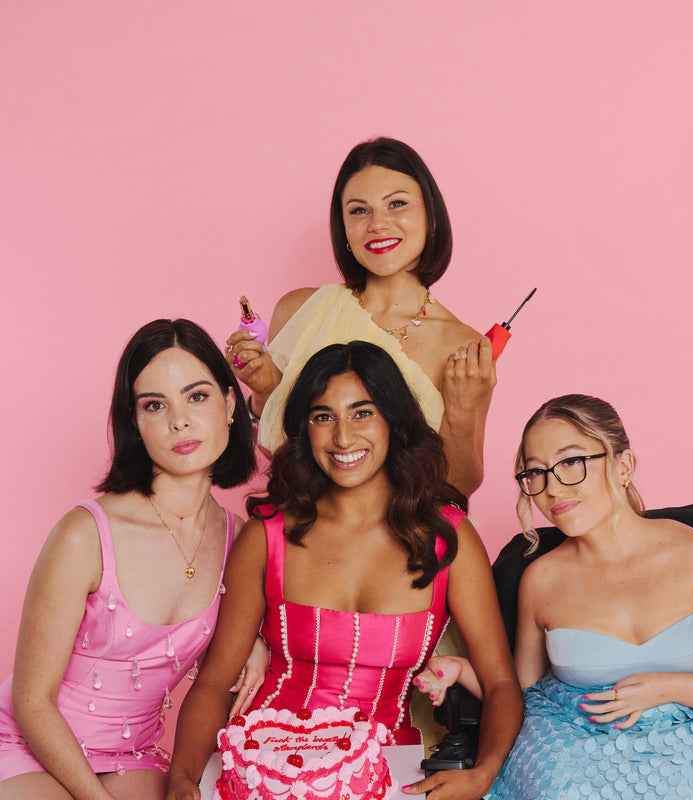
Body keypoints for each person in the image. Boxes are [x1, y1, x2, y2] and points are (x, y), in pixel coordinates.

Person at [166, 342, 522, 800]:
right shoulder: (267, 535)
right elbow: (215, 682)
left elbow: (501, 684)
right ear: (305, 429)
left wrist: (483, 773)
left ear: (394, 421)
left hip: (389, 771)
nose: (343, 438)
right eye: (323, 416)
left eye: (362, 413)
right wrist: (182, 779)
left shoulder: (448, 538)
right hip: (262, 768)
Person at [0, 319, 263, 800]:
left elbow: (224, 660)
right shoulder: (84, 534)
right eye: (154, 405)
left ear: (230, 405)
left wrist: (255, 641)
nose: (179, 421)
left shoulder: (239, 539)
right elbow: (32, 700)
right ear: (135, 424)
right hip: (27, 743)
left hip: (132, 754)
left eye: (197, 396)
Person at [415, 394, 693, 798]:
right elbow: (523, 696)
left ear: (624, 466)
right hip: (572, 758)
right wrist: (459, 669)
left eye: (571, 462)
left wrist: (669, 688)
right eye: (536, 472)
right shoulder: (540, 579)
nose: (553, 489)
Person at [225, 136, 495, 497]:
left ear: (430, 215)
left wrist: (462, 411)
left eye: (396, 203)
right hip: (313, 524)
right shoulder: (300, 310)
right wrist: (262, 393)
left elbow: (457, 488)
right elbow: (281, 455)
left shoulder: (464, 346)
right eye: (359, 210)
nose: (378, 224)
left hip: (411, 531)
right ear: (343, 227)